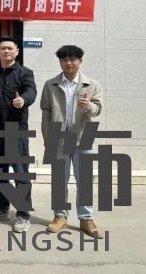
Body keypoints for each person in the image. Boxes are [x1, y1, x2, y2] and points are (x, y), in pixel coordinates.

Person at [40, 45, 104, 239]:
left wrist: (89, 106)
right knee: (59, 179)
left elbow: (98, 109)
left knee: (84, 179)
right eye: (64, 60)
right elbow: (46, 112)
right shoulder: (50, 84)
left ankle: (86, 218)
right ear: (60, 62)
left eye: (73, 59)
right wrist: (47, 138)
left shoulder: (92, 84)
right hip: (58, 137)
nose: (69, 63)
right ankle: (60, 216)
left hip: (83, 136)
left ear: (80, 61)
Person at [0, 36, 37, 233]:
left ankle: (23, 214)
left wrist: (23, 100)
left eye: (10, 48)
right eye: (3, 48)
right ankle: (2, 208)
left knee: (20, 174)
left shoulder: (25, 73)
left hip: (16, 131)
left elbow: (31, 91)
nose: (6, 51)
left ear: (17, 52)